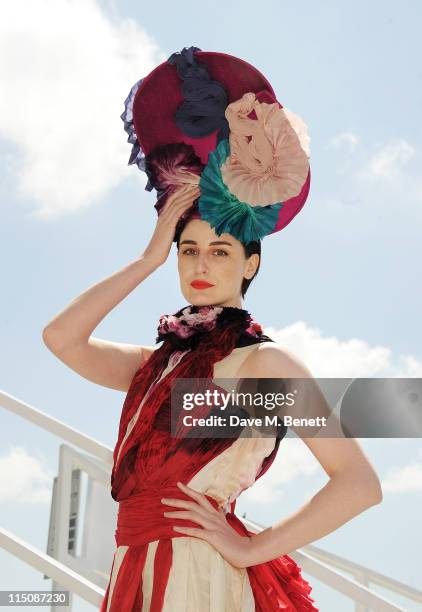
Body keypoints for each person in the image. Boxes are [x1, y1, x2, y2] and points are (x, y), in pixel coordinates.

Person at [42, 47, 383, 611]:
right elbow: (61, 339)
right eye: (188, 250)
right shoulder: (153, 365)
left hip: (199, 575)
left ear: (250, 264)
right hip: (132, 568)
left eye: (220, 251)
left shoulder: (265, 365)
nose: (200, 265)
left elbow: (358, 483)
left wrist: (253, 550)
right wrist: (149, 256)